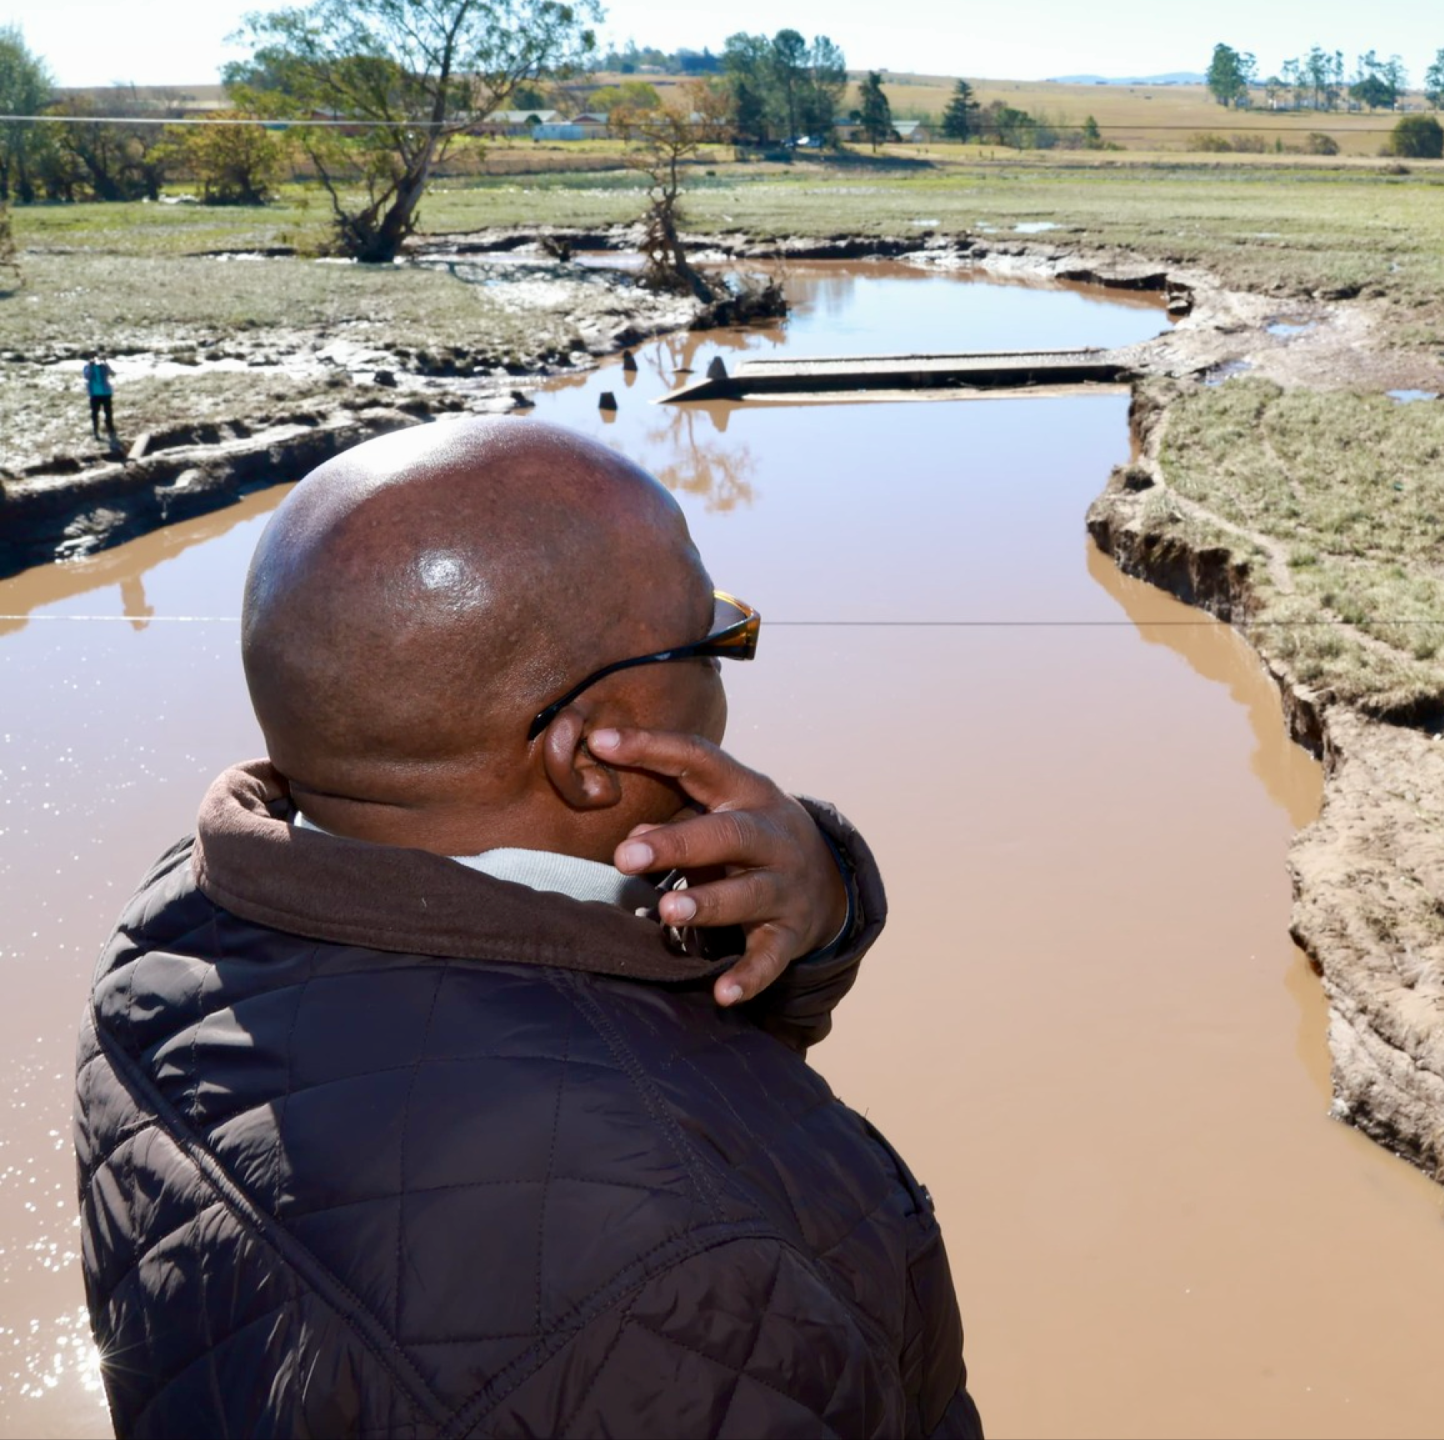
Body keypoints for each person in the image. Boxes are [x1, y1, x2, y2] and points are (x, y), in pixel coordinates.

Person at [75, 418, 980, 1437]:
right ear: (589, 758)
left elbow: (646, 1064)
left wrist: (816, 911)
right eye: (716, 643)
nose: (731, 659)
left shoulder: (170, 933)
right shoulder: (675, 1281)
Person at [83, 353, 114, 439]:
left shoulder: (103, 366)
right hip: (94, 394)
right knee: (95, 413)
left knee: (108, 412)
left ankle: (110, 428)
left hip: (106, 393)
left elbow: (111, 373)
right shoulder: (87, 367)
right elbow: (87, 376)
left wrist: (105, 362)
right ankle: (95, 430)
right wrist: (90, 366)